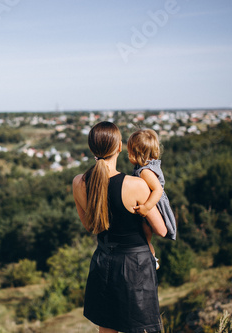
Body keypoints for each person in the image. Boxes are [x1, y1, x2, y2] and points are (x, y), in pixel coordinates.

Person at [72, 121, 167, 333]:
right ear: (119, 147)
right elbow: (161, 230)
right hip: (136, 267)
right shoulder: (136, 185)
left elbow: (90, 225)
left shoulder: (78, 182)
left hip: (102, 261)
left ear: (91, 149)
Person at [127, 129, 177, 270]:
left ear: (138, 154)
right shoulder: (144, 168)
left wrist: (147, 207)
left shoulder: (145, 172)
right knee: (145, 234)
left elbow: (158, 190)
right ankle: (152, 256)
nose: (128, 156)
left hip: (154, 203)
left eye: (129, 152)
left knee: (145, 234)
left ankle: (152, 258)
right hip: (150, 201)